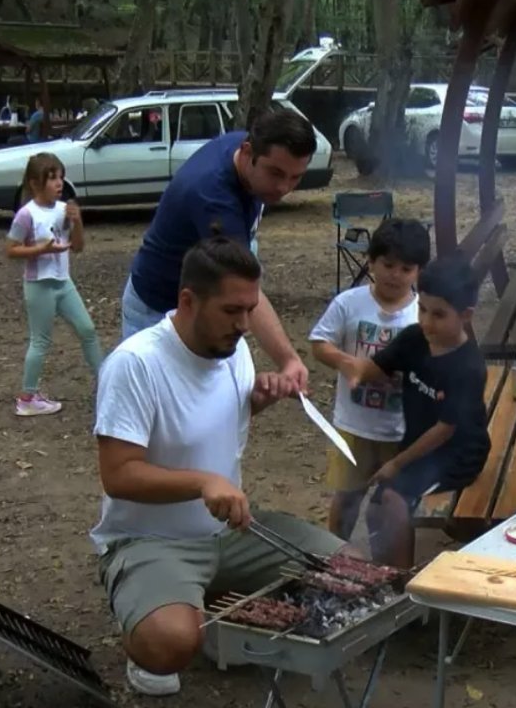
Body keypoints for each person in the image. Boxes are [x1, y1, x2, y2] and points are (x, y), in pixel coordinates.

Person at [92, 236, 344, 696]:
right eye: (232, 310)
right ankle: (158, 614)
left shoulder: (231, 349)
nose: (245, 324)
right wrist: (203, 482)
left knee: (350, 572)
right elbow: (118, 474)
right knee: (169, 643)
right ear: (189, 301)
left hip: (229, 533)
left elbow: (211, 423)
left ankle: (208, 609)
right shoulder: (135, 364)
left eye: (250, 309)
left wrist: (257, 400)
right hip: (151, 540)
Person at [120, 108, 319, 394]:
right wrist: (288, 359)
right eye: (275, 173)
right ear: (247, 152)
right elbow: (244, 290)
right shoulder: (213, 198)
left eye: (295, 177)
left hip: (205, 299)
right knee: (157, 403)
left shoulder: (248, 146)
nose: (283, 187)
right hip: (157, 305)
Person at [338, 256, 490, 568]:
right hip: (419, 449)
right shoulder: (414, 339)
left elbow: (445, 430)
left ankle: (401, 582)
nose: (426, 322)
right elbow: (375, 367)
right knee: (377, 508)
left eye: (439, 314)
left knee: (393, 501)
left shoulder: (468, 367)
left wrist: (396, 463)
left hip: (457, 456)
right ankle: (387, 573)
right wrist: (354, 372)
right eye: (422, 309)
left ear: (466, 315)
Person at [308, 219, 431, 541]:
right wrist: (346, 363)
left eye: (406, 269)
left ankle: (390, 556)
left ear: (419, 271)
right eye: (388, 265)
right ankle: (335, 550)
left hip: (400, 430)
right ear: (371, 261)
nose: (395, 275)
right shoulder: (349, 303)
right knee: (347, 496)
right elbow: (319, 343)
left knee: (395, 501)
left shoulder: (423, 314)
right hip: (354, 425)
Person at [4, 153, 103, 417]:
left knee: (87, 329)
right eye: (52, 178)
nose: (59, 183)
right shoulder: (26, 215)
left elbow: (78, 247)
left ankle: (107, 382)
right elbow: (11, 250)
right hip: (40, 285)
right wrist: (40, 249)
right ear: (35, 183)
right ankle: (27, 398)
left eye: (60, 177)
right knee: (41, 340)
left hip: (63, 282)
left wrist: (77, 221)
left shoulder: (62, 210)